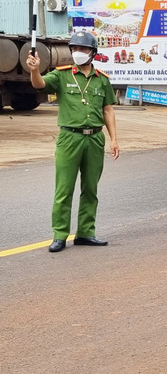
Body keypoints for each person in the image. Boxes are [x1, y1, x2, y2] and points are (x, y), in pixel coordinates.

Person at [25, 31, 119, 253]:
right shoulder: (61, 75)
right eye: (75, 49)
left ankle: (86, 232)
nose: (78, 52)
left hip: (95, 138)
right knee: (64, 189)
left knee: (90, 188)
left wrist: (114, 139)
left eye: (83, 49)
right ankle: (59, 235)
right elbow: (39, 85)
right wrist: (35, 69)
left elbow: (108, 109)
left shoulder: (102, 80)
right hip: (69, 138)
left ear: (92, 53)